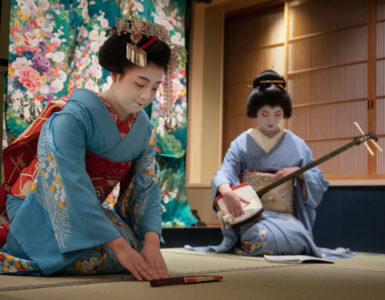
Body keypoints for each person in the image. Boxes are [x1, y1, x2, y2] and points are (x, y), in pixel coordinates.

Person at [0, 17, 184, 279]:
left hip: (86, 210)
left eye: (155, 88)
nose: (147, 97)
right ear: (115, 75)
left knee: (136, 248)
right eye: (140, 84)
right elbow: (69, 182)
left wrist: (152, 243)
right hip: (39, 202)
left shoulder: (144, 129)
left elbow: (147, 187)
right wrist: (118, 246)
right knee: (113, 251)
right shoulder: (73, 118)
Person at [186, 70, 352, 259]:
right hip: (253, 215)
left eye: (277, 114)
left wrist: (300, 173)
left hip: (285, 216)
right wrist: (227, 192)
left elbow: (319, 180)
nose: (271, 120)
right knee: (260, 238)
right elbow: (223, 173)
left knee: (300, 237)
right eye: (265, 114)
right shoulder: (241, 143)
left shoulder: (297, 145)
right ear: (256, 112)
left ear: (284, 113)